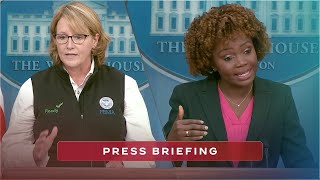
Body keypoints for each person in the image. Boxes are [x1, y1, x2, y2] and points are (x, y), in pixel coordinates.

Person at [2, 1, 155, 168]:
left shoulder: (125, 85)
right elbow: (9, 153)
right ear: (55, 40)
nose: (69, 45)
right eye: (62, 37)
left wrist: (123, 164)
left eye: (78, 37)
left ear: (95, 40)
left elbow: (145, 151)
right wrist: (32, 155)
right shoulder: (32, 87)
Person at [163, 4, 315, 168]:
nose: (242, 62)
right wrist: (173, 141)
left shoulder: (280, 96)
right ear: (211, 62)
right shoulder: (187, 96)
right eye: (228, 57)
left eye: (247, 51)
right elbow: (173, 162)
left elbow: (300, 162)